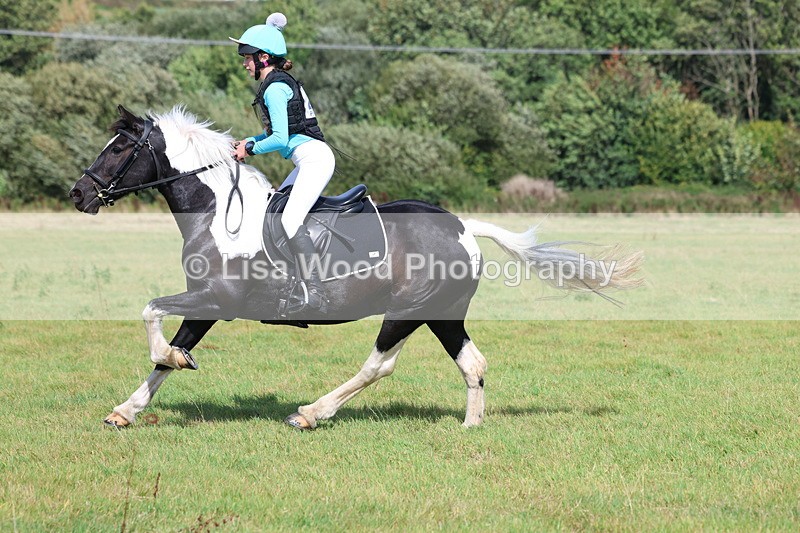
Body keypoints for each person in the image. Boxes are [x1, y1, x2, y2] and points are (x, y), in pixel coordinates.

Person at [231, 13, 334, 315]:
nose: (244, 63)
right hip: (307, 160)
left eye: (247, 57)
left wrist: (249, 148)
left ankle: (316, 293)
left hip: (314, 160)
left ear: (263, 58)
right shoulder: (276, 84)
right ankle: (287, 282)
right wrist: (245, 141)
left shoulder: (275, 88)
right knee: (273, 210)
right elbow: (274, 133)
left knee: (290, 220)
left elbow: (279, 137)